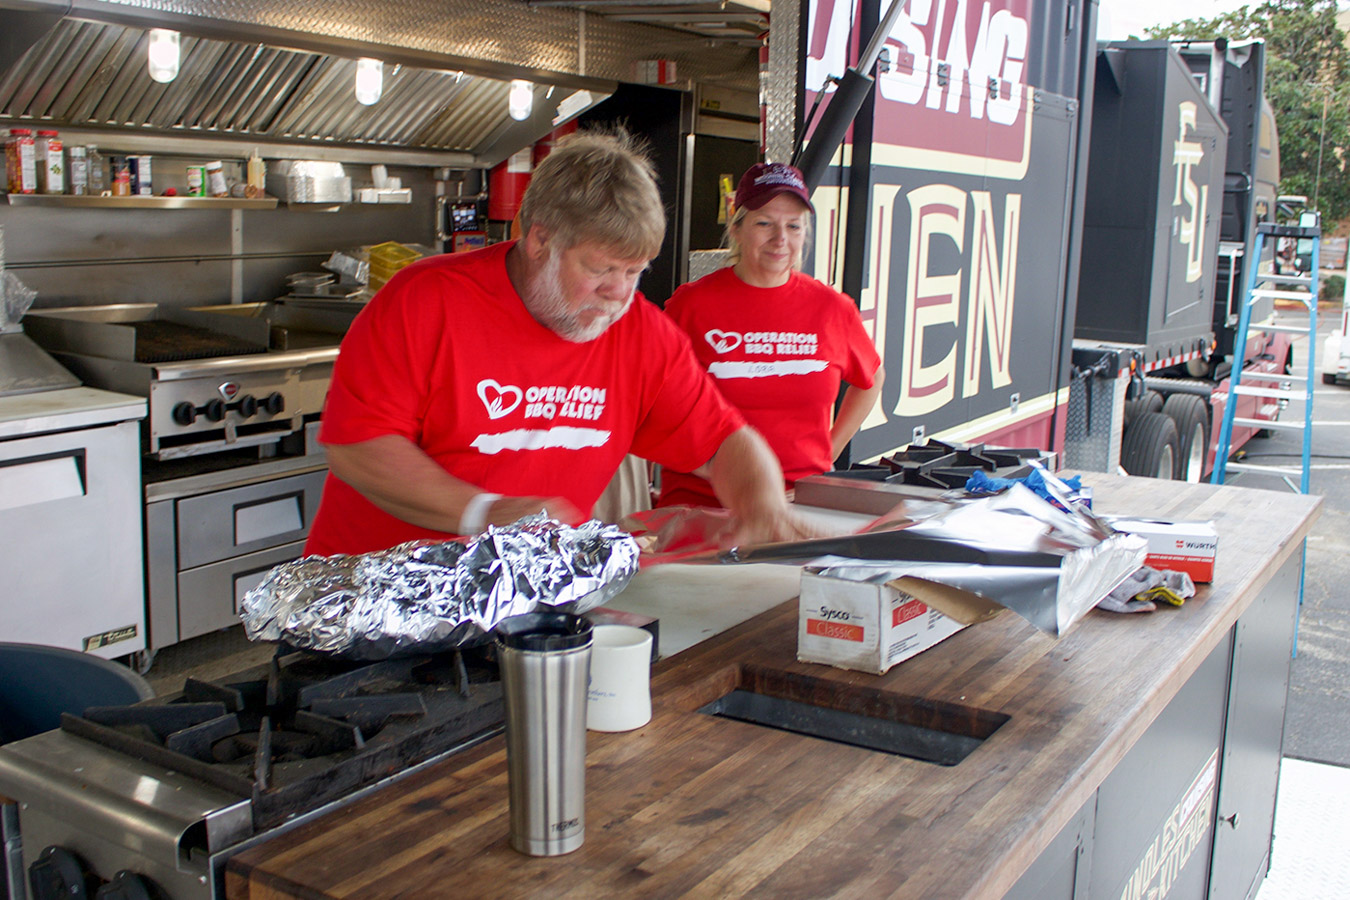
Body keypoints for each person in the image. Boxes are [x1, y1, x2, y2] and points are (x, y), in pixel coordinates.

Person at [304, 131, 812, 556]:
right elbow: (357, 445)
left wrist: (761, 502)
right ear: (539, 240)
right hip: (375, 603)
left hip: (528, 610)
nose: (619, 294)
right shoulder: (426, 300)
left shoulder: (641, 332)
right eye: (600, 269)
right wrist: (487, 512)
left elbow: (725, 440)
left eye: (635, 272)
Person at [657, 161, 884, 508]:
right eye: (764, 223)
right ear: (737, 227)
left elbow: (871, 379)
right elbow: (651, 404)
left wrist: (828, 452)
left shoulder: (832, 308)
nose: (780, 239)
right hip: (704, 504)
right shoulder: (691, 306)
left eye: (793, 226)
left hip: (799, 503)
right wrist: (718, 472)